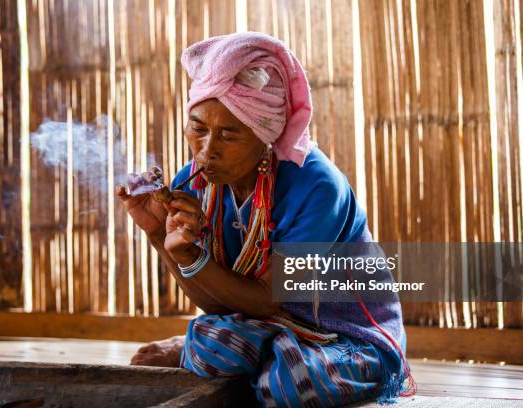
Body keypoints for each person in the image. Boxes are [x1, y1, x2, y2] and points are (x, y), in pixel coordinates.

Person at [116, 31, 413, 407]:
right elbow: (218, 303)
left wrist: (192, 259)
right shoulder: (195, 184)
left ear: (265, 133)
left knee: (289, 381)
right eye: (198, 128)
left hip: (346, 339)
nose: (207, 152)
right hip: (265, 325)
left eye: (228, 134)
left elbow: (266, 302)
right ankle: (257, 359)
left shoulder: (317, 187)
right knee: (211, 343)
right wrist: (160, 233)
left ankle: (258, 363)